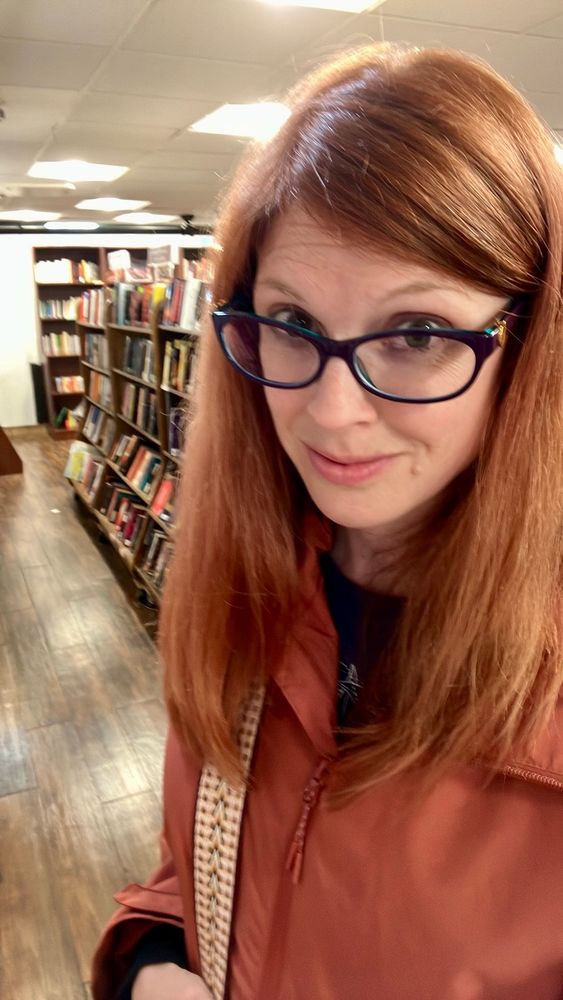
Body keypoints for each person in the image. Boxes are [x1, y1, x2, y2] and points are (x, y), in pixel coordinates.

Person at [92, 43, 563, 1000]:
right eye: (294, 325)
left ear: (529, 346)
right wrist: (148, 960)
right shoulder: (243, 587)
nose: (333, 412)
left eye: (417, 334)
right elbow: (202, 873)